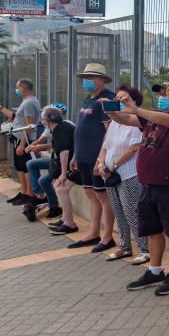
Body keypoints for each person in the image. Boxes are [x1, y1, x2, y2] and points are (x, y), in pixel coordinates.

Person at [108, 83, 169, 296]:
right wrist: (112, 110)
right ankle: (155, 270)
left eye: (167, 93)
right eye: (160, 93)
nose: (162, 96)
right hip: (148, 184)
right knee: (153, 230)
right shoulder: (150, 117)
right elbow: (126, 119)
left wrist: (137, 108)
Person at [95, 86, 148, 261]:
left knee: (131, 209)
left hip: (128, 173)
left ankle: (144, 249)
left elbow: (134, 147)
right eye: (117, 99)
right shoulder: (114, 123)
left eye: (124, 99)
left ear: (134, 101)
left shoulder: (136, 122)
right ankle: (124, 246)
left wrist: (114, 165)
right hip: (110, 174)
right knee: (118, 210)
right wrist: (102, 163)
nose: (119, 102)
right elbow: (105, 145)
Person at [69, 63, 116, 250]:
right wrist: (75, 155)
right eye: (85, 78)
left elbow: (110, 131)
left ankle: (107, 236)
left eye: (91, 77)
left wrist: (101, 158)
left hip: (97, 157)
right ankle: (93, 232)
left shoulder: (110, 99)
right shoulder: (88, 100)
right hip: (83, 156)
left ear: (102, 80)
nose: (86, 81)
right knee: (90, 193)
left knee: (103, 196)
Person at [0, 78, 42, 206]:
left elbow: (29, 125)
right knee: (19, 167)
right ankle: (24, 192)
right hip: (18, 137)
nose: (16, 90)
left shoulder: (29, 103)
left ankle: (30, 194)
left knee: (26, 168)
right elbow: (15, 117)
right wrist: (0, 107)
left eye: (17, 87)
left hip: (25, 139)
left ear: (23, 88)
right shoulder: (26, 101)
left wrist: (22, 144)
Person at [23, 102, 70, 223]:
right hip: (56, 159)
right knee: (31, 164)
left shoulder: (63, 127)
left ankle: (54, 206)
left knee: (43, 180)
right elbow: (43, 139)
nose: (42, 121)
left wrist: (63, 173)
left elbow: (62, 147)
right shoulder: (51, 126)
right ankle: (39, 194)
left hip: (63, 161)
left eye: (44, 119)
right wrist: (33, 145)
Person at [43, 107, 78, 236]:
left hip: (78, 164)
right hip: (76, 162)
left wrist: (63, 173)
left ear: (47, 120)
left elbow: (64, 152)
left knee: (61, 188)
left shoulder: (59, 130)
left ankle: (70, 224)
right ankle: (65, 219)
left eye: (43, 119)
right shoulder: (63, 126)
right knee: (58, 185)